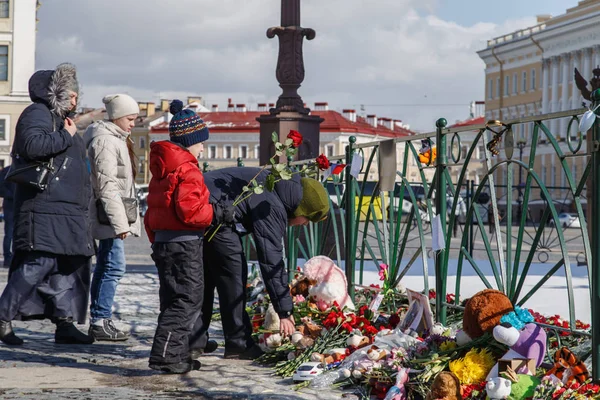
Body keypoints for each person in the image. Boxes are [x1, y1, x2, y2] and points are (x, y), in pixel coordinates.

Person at [188, 169, 330, 360]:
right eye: (307, 219)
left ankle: (195, 340)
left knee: (208, 275)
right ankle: (239, 344)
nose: (304, 225)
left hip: (202, 207)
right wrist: (285, 311)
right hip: (214, 214)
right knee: (233, 275)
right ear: (301, 209)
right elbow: (271, 261)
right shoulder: (272, 206)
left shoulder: (275, 187)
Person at [0, 63, 95, 345]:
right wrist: (66, 136)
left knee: (67, 264)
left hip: (67, 209)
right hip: (44, 208)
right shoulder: (37, 113)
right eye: (71, 93)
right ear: (55, 93)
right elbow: (32, 146)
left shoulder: (62, 120)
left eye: (77, 94)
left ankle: (64, 323)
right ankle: (2, 316)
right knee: (39, 263)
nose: (76, 98)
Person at [144, 100, 213, 374]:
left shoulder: (162, 169)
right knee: (187, 299)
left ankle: (174, 352)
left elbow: (155, 210)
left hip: (163, 241)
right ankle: (166, 357)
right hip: (185, 243)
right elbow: (191, 212)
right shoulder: (188, 169)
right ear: (190, 140)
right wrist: (214, 212)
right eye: (201, 142)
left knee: (172, 299)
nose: (203, 148)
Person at [84, 94, 141, 341]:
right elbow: (107, 185)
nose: (133, 124)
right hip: (107, 215)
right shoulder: (106, 141)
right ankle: (100, 319)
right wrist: (120, 224)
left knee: (106, 266)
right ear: (117, 116)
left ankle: (99, 318)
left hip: (109, 213)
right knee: (114, 267)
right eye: (130, 118)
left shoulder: (113, 138)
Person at [0, 167, 15, 267]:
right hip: (10, 205)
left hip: (18, 204)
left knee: (16, 233)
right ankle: (7, 258)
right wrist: (13, 195)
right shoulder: (7, 170)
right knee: (9, 233)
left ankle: (13, 257)